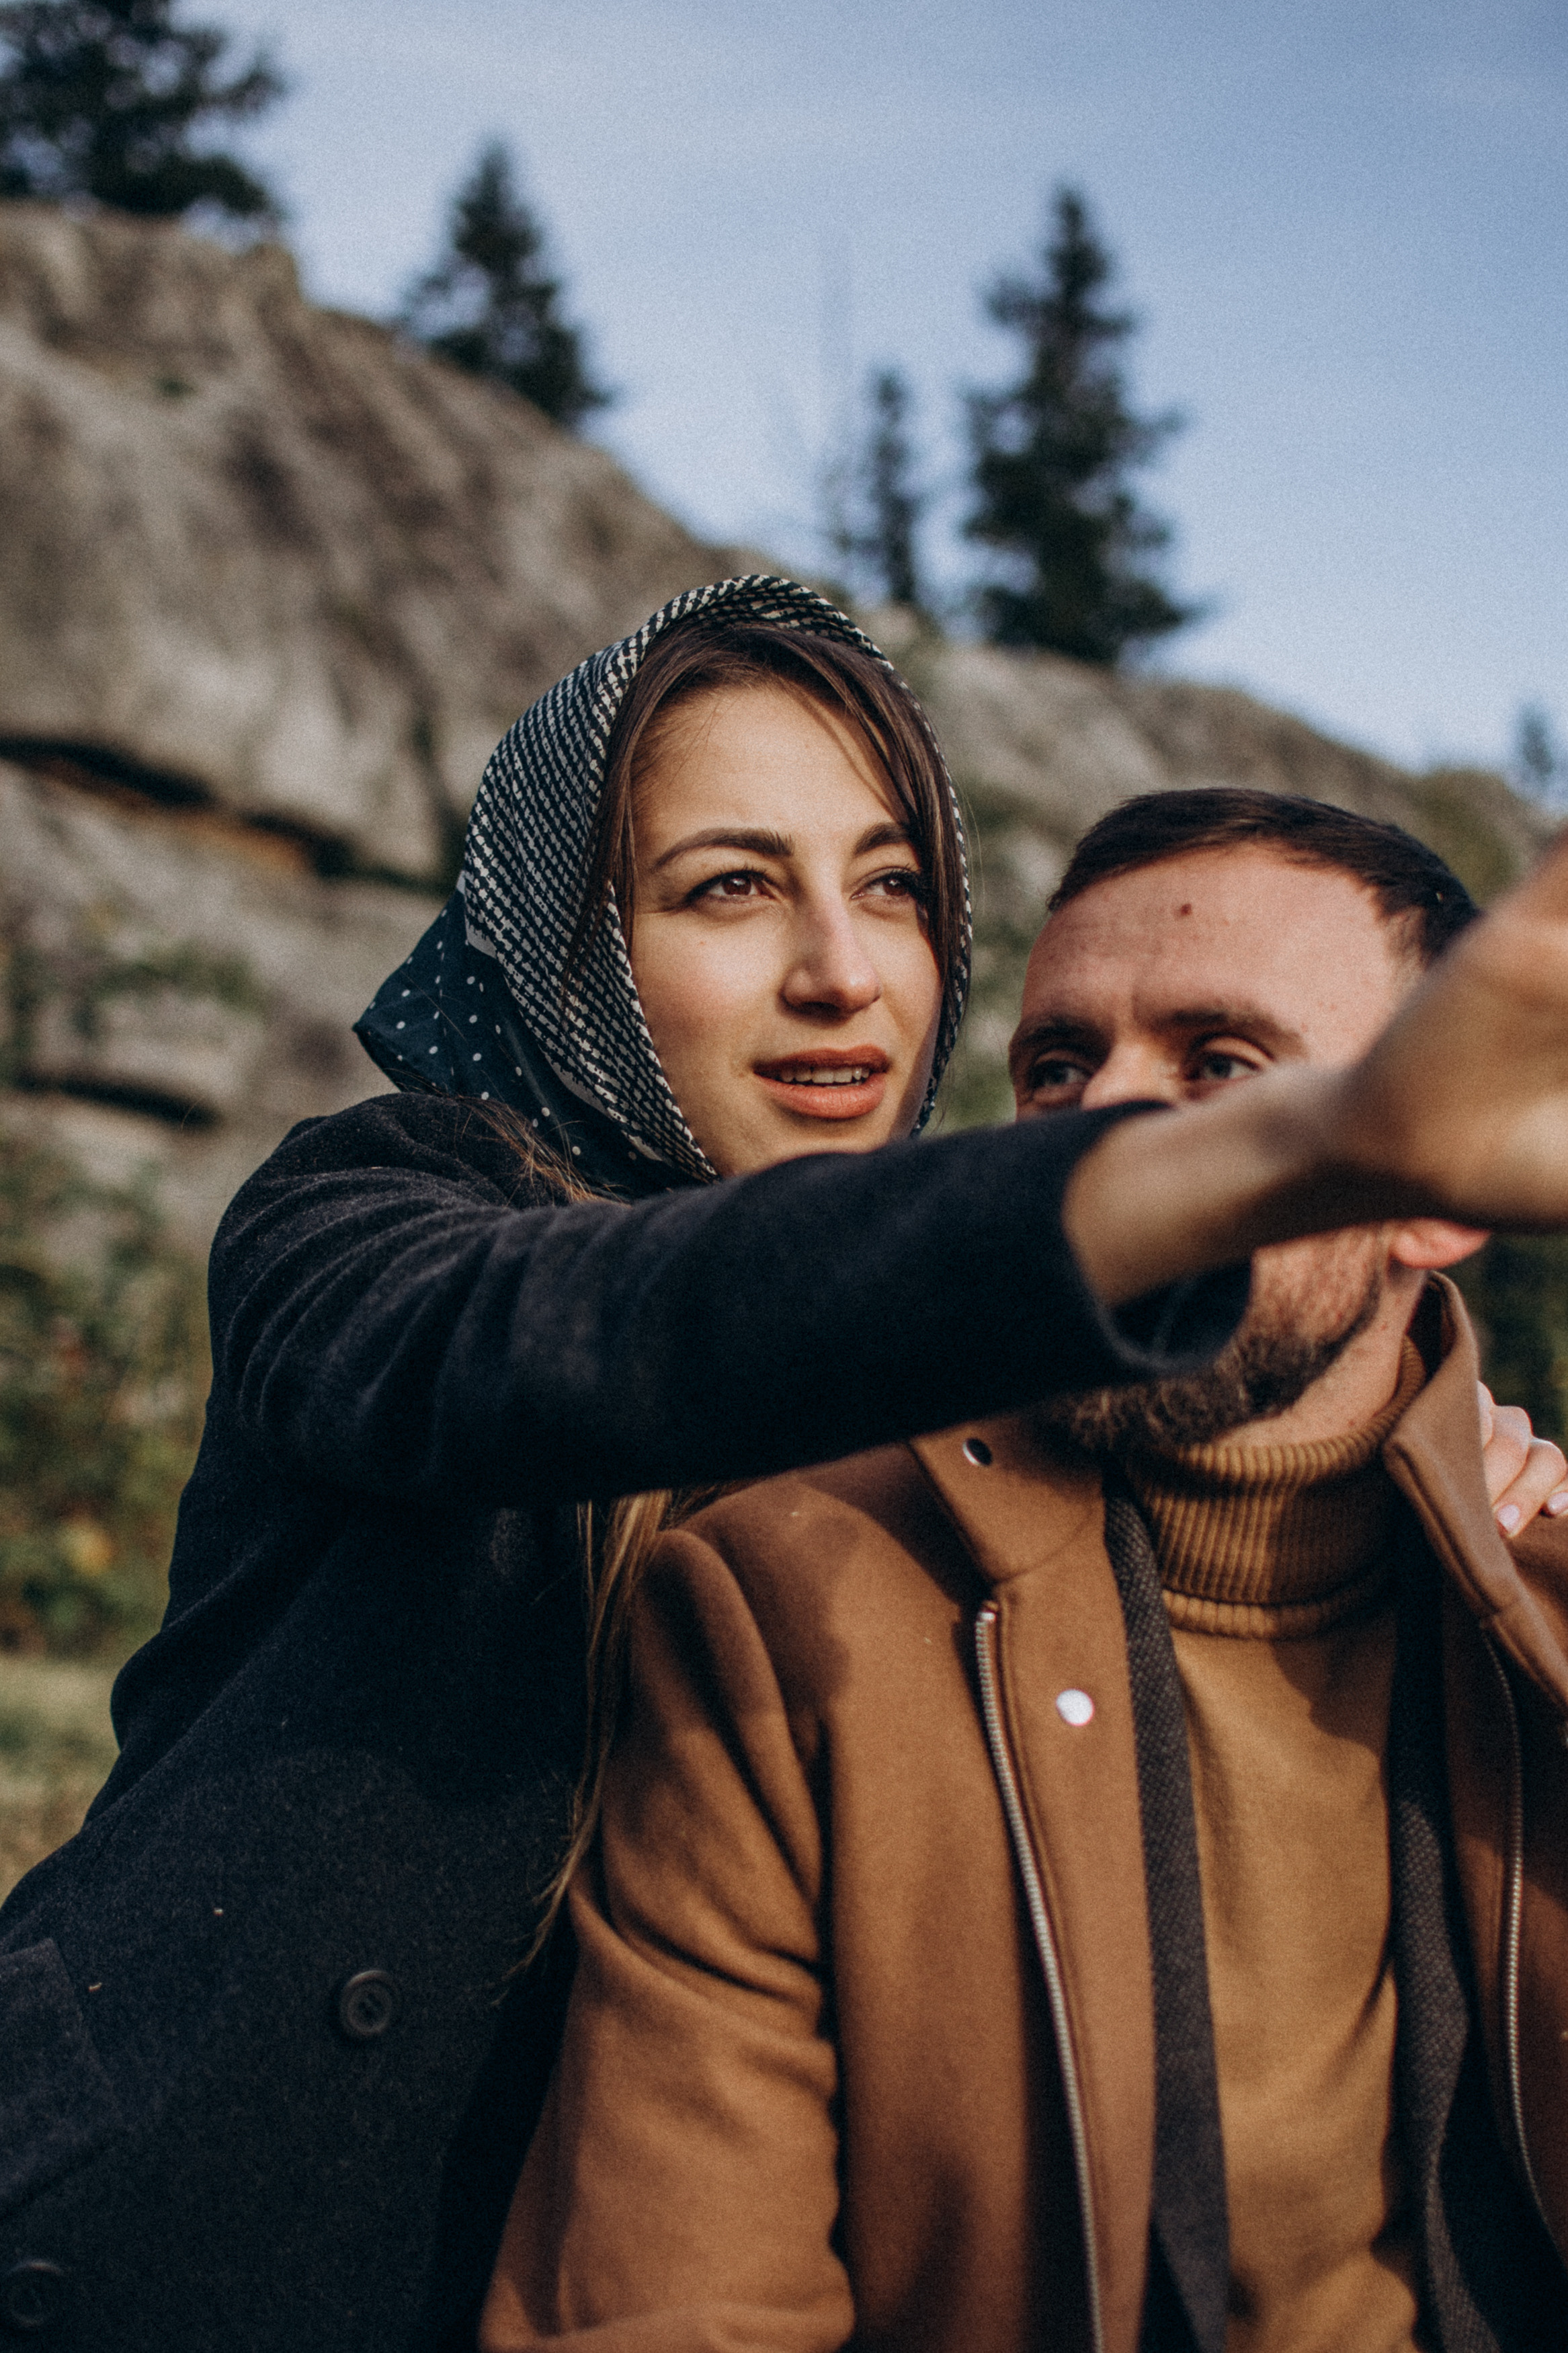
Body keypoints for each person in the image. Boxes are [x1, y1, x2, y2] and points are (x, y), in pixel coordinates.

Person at [0, 577, 1555, 2351]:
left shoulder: (953, 1340)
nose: (840, 968)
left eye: (888, 884)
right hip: (168, 2242)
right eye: (729, 886)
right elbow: (594, 1332)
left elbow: (1265, 1415)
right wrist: (1280, 1145)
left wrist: (1431, 1475)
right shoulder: (367, 1211)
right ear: (572, 939)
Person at [482, 790, 1568, 2353]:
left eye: (1222, 1069)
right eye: (1058, 1066)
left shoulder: (1544, 1614)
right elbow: (671, 2307)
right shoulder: (790, 1610)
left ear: (1441, 1188)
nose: (1103, 1128)